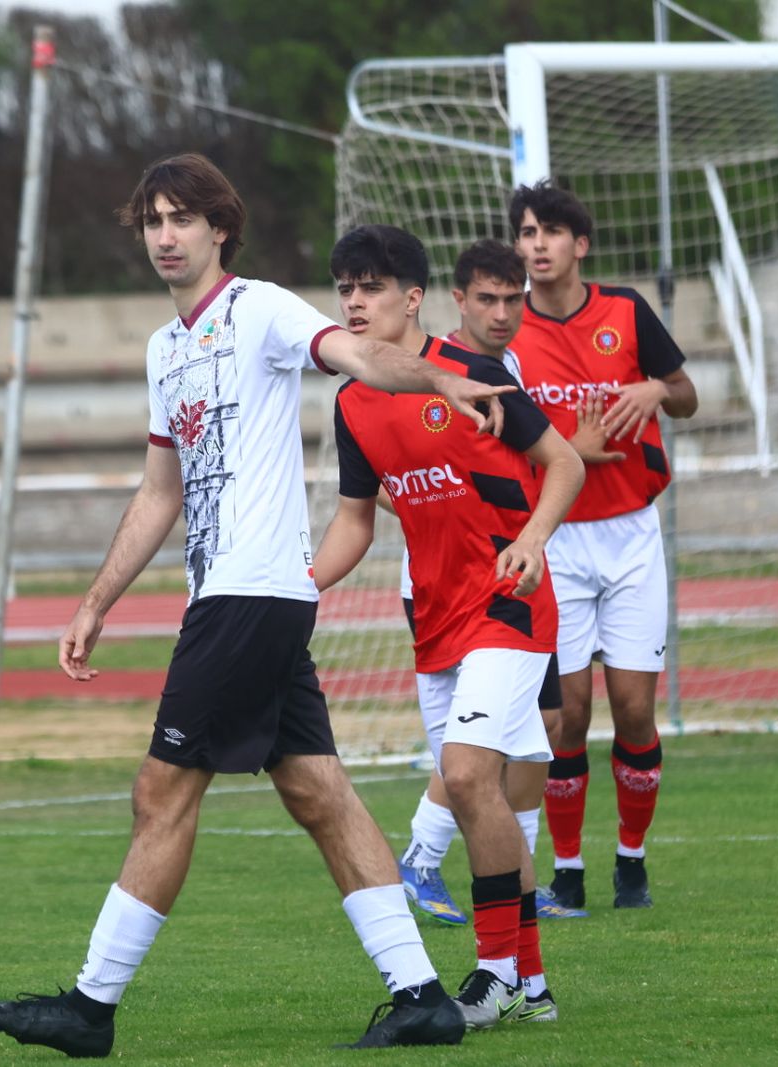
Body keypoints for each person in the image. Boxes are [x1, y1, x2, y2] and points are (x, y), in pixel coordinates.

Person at [0, 154, 517, 1055]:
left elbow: (358, 354)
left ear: (220, 228)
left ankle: (90, 1007)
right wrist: (97, 600)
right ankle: (421, 994)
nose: (166, 235)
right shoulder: (163, 350)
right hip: (238, 596)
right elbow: (158, 492)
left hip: (250, 594)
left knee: (162, 791)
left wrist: (440, 379)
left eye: (183, 218)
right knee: (317, 789)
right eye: (153, 221)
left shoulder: (258, 307)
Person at [316, 224, 585, 1028]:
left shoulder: (475, 374)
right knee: (477, 799)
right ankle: (531, 988)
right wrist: (294, 588)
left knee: (469, 777)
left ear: (410, 297)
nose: (354, 303)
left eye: (370, 287)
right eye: (345, 289)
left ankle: (494, 972)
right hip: (434, 622)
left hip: (509, 606)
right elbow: (354, 524)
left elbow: (564, 462)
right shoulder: (353, 403)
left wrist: (533, 539)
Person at [507, 181, 699, 913]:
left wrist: (655, 390)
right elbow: (500, 441)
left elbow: (688, 394)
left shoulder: (625, 311)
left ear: (579, 245)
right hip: (556, 537)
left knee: (635, 708)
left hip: (630, 537)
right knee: (569, 714)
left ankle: (632, 863)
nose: (537, 245)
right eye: (527, 233)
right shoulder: (509, 331)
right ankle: (567, 869)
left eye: (550, 232)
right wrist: (573, 453)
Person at [374, 241, 570, 927]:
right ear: (452, 298)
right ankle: (428, 857)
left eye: (514, 299)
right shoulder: (402, 378)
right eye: (487, 298)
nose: (502, 312)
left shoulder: (501, 369)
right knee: (474, 759)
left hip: (507, 586)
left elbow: (550, 462)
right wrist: (432, 509)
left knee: (531, 729)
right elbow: (373, 481)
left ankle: (516, 910)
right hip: (441, 587)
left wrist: (526, 532)